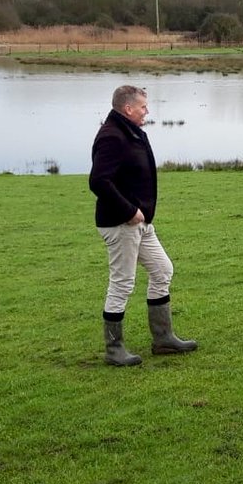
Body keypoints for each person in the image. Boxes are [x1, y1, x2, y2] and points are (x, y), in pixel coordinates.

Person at [89, 85, 197, 366]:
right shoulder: (112, 136)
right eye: (143, 107)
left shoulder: (132, 132)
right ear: (128, 109)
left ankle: (164, 339)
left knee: (162, 270)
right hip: (121, 223)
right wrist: (130, 211)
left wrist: (141, 215)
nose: (147, 111)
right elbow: (99, 181)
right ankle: (114, 350)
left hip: (141, 223)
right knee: (122, 283)